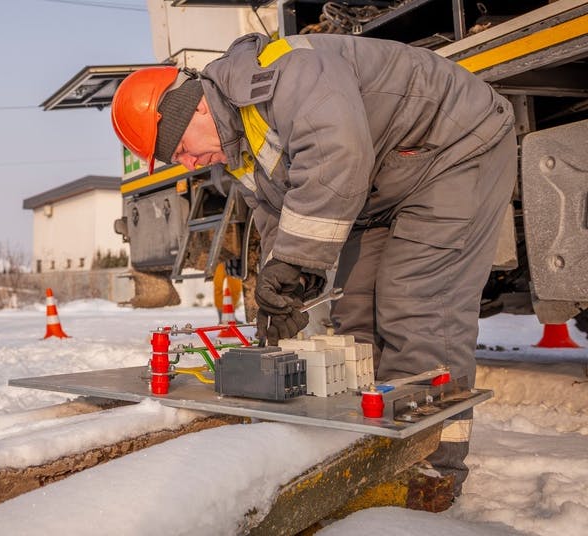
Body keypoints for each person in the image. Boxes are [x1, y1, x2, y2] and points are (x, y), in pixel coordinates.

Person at [110, 33, 517, 496]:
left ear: (196, 109)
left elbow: (336, 155)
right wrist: (284, 286)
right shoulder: (239, 150)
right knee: (354, 320)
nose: (187, 163)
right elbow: (279, 219)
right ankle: (371, 449)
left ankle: (429, 474)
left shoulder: (285, 73)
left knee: (418, 308)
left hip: (451, 148)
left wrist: (296, 261)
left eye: (180, 148)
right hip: (381, 187)